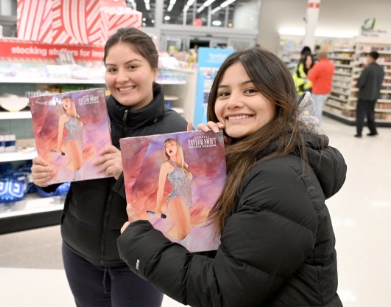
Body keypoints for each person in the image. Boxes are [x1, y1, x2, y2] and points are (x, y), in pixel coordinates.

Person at [117, 47, 346, 306]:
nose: (233, 102)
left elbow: (224, 292)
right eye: (224, 93)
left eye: (250, 90)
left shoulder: (279, 179)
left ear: (280, 99)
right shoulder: (254, 159)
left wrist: (140, 242)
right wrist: (215, 159)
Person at [31, 27, 188, 307]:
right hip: (79, 251)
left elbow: (182, 205)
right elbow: (67, 162)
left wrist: (126, 175)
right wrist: (46, 177)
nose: (121, 78)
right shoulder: (86, 115)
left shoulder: (174, 131)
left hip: (141, 260)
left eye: (132, 66)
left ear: (154, 69)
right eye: (112, 69)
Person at [153, 138, 193, 242]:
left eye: (172, 145)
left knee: (186, 233)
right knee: (184, 233)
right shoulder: (166, 165)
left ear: (178, 147)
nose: (169, 148)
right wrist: (158, 208)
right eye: (167, 146)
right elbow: (160, 187)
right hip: (176, 198)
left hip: (187, 201)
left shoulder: (185, 166)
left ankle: (179, 254)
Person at [355, 50, 385, 137]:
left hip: (364, 95)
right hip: (375, 95)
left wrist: (357, 84)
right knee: (370, 112)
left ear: (371, 57)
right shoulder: (380, 69)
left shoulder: (367, 69)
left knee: (360, 113)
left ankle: (359, 132)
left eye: (367, 56)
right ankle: (373, 130)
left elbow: (361, 82)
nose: (367, 58)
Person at [56, 96, 84, 179]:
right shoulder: (63, 116)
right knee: (78, 166)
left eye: (67, 101)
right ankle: (77, 183)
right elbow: (60, 133)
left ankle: (77, 181)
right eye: (63, 102)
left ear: (71, 102)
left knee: (80, 166)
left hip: (79, 142)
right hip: (71, 141)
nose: (65, 103)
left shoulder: (77, 116)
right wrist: (58, 148)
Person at [307, 50, 335, 126]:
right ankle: (317, 125)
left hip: (318, 90)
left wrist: (309, 71)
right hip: (327, 90)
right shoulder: (331, 64)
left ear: (319, 56)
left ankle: (317, 126)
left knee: (316, 109)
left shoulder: (319, 65)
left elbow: (311, 77)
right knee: (319, 108)